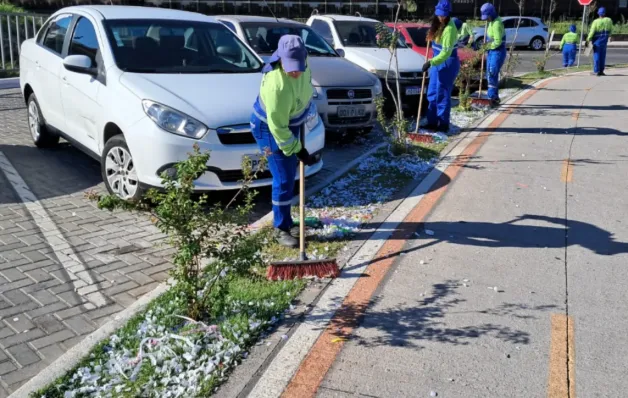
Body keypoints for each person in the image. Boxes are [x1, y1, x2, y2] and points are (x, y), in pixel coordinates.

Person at [251, 35, 317, 248]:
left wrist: (307, 110)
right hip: (270, 128)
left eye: (298, 66)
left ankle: (287, 221)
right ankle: (280, 228)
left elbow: (306, 90)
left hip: (292, 121)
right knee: (284, 178)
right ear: (280, 60)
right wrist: (298, 149)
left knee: (290, 175)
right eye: (290, 68)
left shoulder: (305, 65)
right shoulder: (276, 86)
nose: (295, 72)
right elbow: (277, 127)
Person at [420, 0, 460, 133]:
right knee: (432, 93)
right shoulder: (438, 24)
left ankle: (443, 125)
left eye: (443, 15)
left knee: (442, 94)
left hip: (447, 62)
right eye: (439, 14)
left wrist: (430, 62)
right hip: (437, 62)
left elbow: (445, 53)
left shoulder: (449, 29)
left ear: (448, 14)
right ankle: (432, 122)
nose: (441, 17)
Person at [480, 3, 505, 107]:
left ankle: (492, 98)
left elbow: (498, 41)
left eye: (487, 17)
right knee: (489, 74)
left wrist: (488, 46)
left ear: (492, 14)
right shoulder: (491, 22)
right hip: (491, 51)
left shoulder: (497, 24)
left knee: (492, 74)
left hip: (497, 51)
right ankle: (493, 97)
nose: (486, 19)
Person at [587, 7, 613, 76]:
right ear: (605, 13)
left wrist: (588, 39)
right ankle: (601, 71)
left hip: (597, 40)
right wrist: (610, 36)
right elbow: (611, 30)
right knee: (602, 56)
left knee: (596, 56)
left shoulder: (596, 21)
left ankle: (596, 71)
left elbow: (592, 31)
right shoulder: (609, 20)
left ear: (598, 13)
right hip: (604, 41)